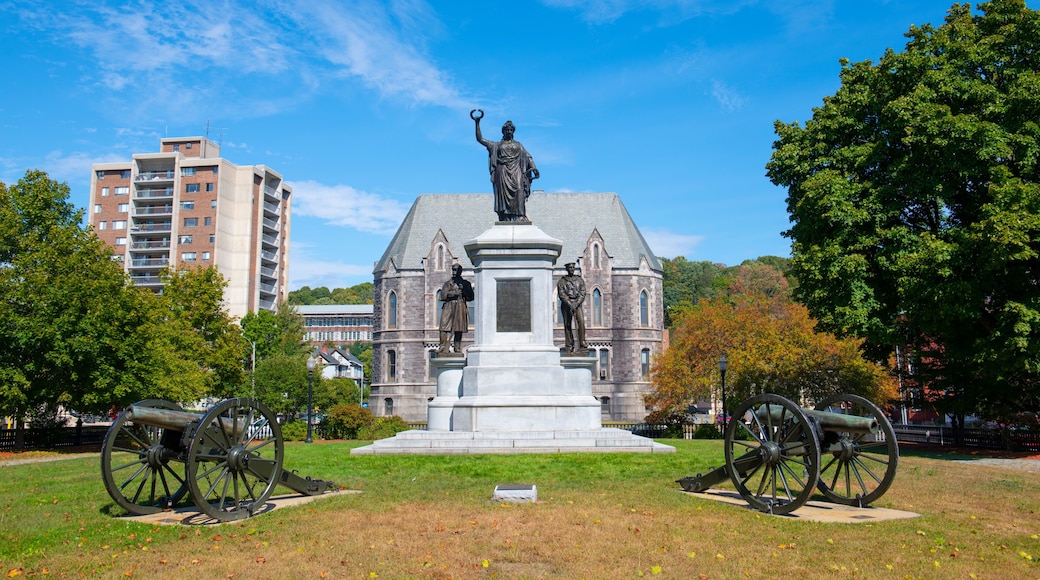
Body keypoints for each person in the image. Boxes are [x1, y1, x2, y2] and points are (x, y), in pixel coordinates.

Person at [471, 109, 539, 223]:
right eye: (506, 129)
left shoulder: (518, 145)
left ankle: (519, 216)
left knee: (519, 189)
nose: (509, 131)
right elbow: (480, 139)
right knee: (503, 196)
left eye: (511, 130)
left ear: (513, 131)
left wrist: (534, 168)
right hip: (502, 172)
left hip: (516, 170)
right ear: (503, 131)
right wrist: (477, 123)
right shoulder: (496, 145)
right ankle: (505, 217)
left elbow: (528, 157)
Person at [438, 264, 475, 354]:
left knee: (458, 328)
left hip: (460, 305)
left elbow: (471, 297)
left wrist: (464, 291)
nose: (454, 272)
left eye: (456, 270)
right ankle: (443, 347)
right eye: (453, 270)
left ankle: (457, 348)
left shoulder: (466, 284)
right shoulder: (447, 284)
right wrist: (454, 293)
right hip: (448, 306)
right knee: (443, 326)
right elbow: (442, 296)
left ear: (460, 271)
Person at [557, 262, 587, 353]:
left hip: (577, 304)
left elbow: (582, 292)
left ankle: (582, 343)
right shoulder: (562, 281)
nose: (572, 269)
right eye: (570, 267)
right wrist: (570, 304)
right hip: (566, 305)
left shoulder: (579, 280)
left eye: (573, 267)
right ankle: (569, 346)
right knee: (568, 325)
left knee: (581, 322)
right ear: (567, 269)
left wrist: (576, 303)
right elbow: (561, 294)